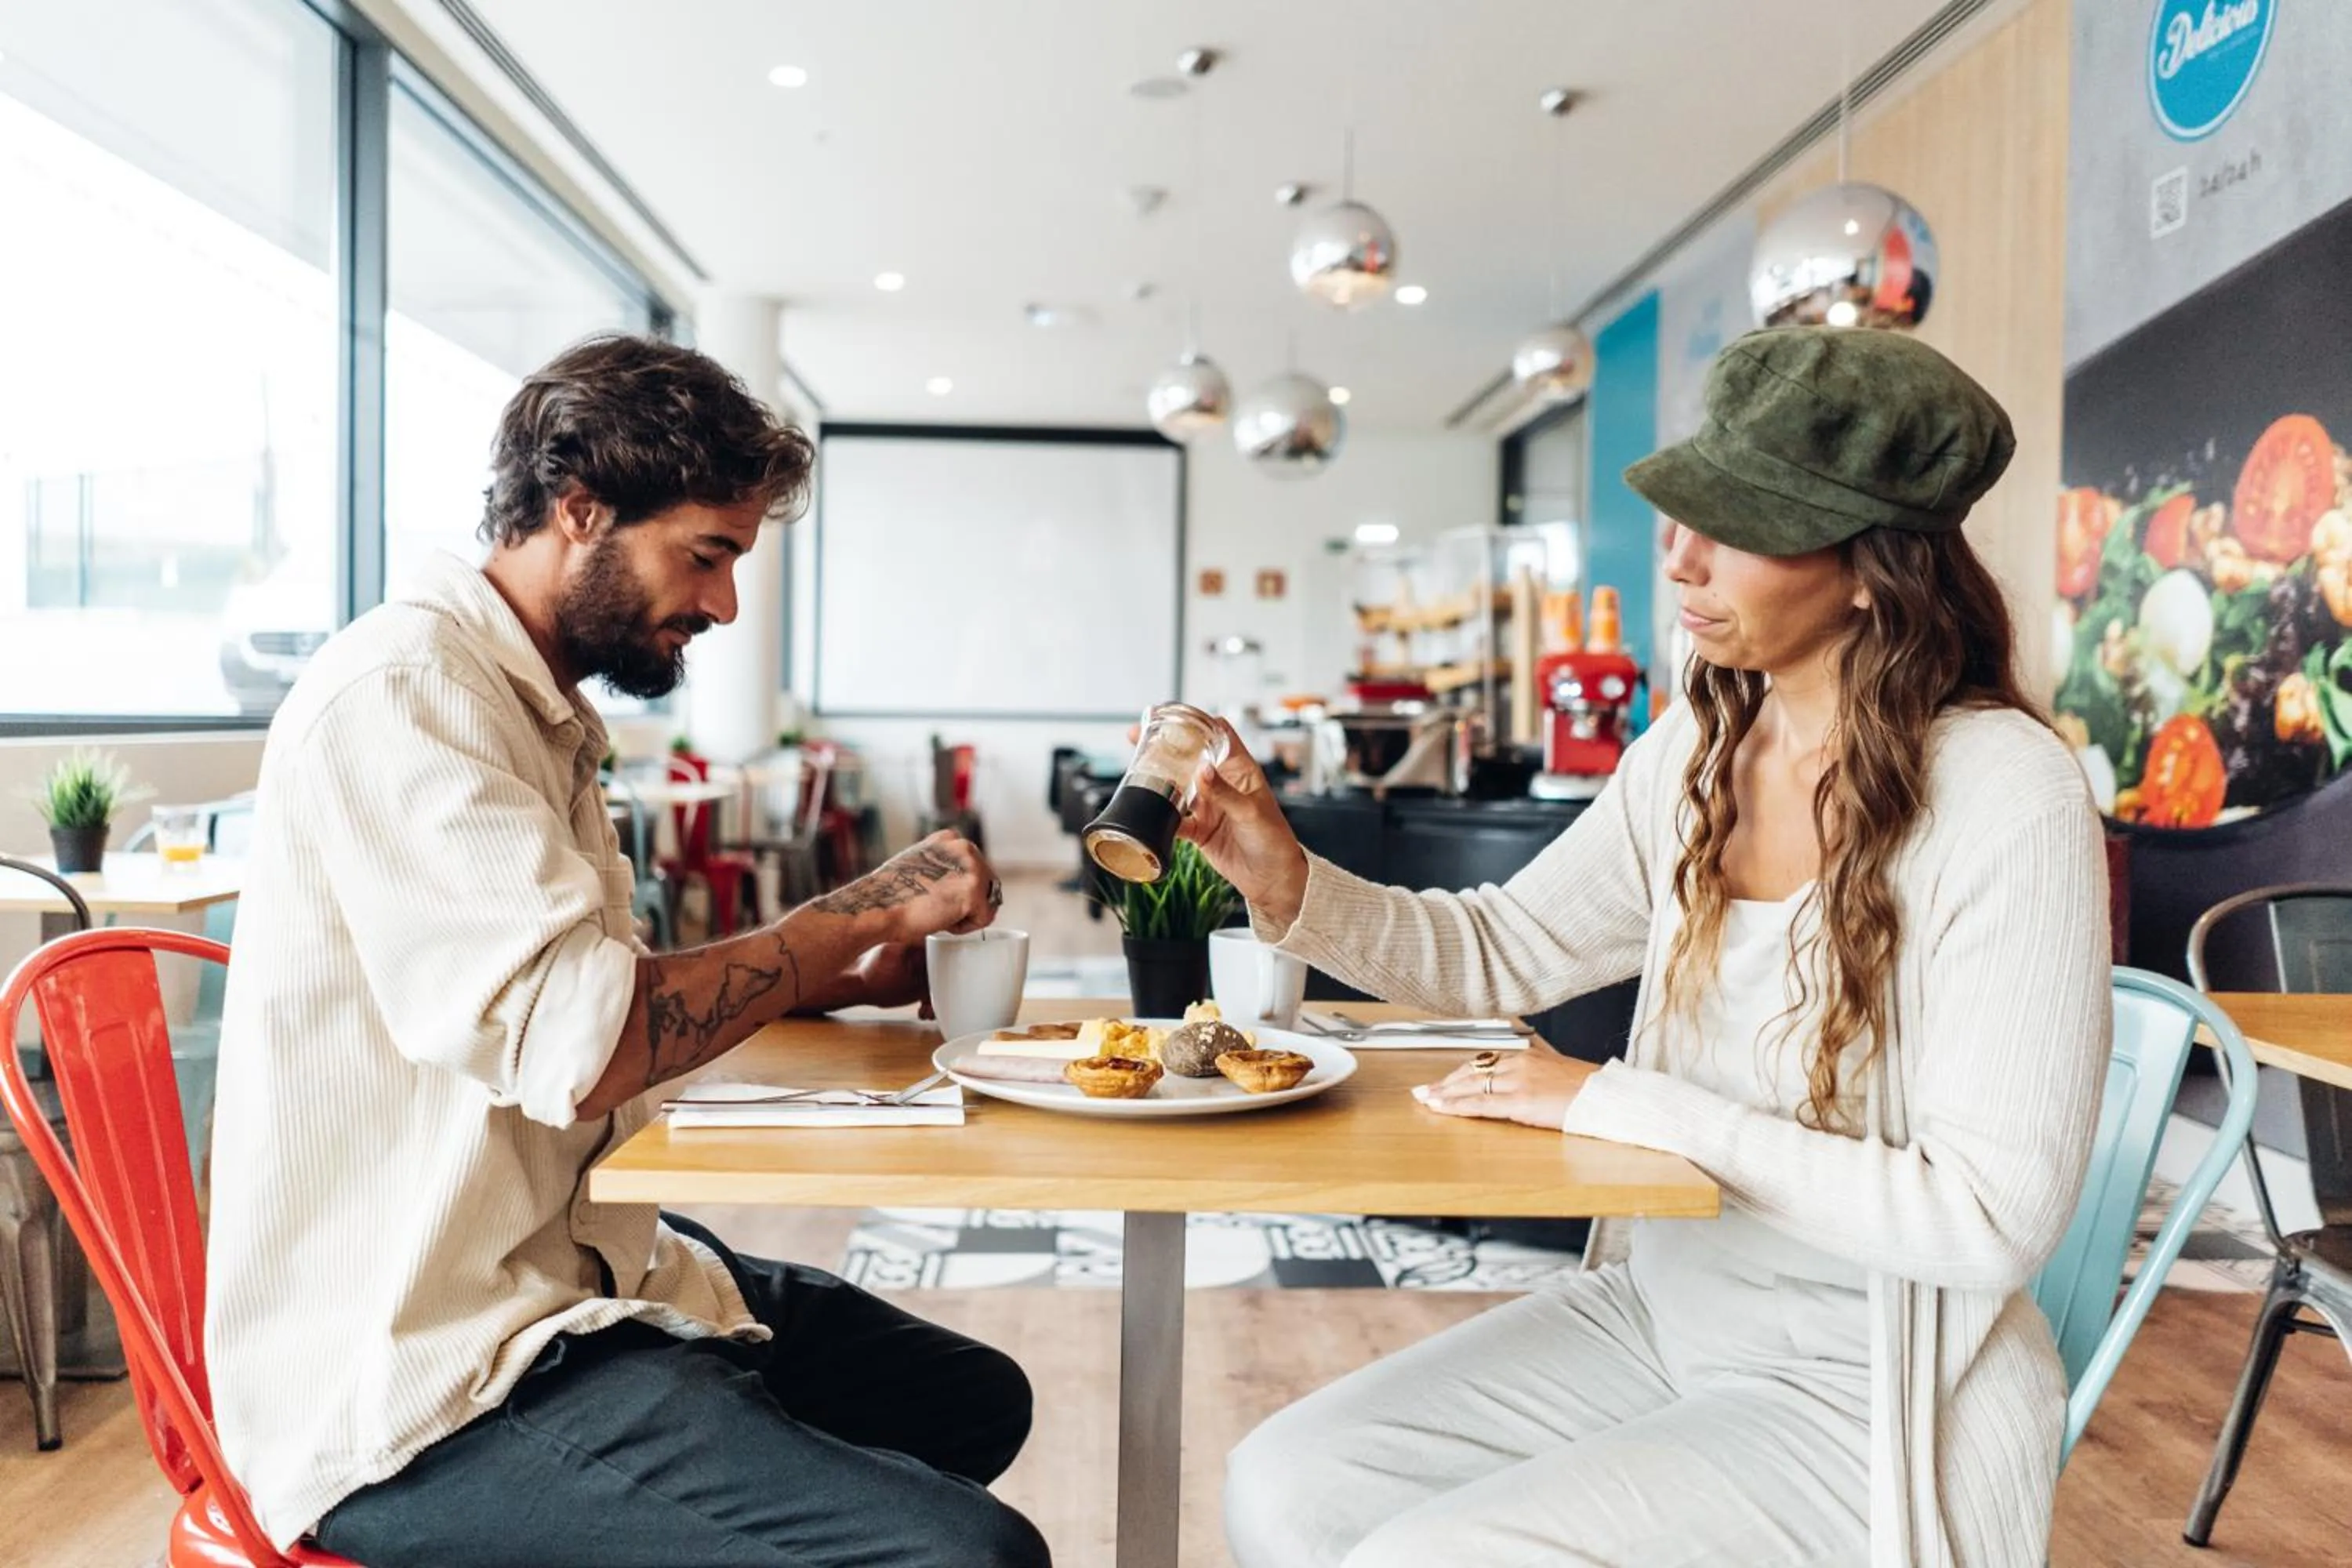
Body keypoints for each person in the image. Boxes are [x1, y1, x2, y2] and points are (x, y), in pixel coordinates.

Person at [1200, 327, 2111, 1567]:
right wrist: (1285, 874)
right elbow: (1499, 949)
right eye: (1686, 512)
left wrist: (1621, 1105)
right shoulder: (1696, 750)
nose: (1679, 556)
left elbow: (1990, 1221)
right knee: (1283, 1486)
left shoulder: (2008, 794)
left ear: (1872, 568)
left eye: (1736, 521)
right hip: (1653, 1313)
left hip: (1869, 1387)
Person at [206, 334, 1050, 1567]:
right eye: (705, 556)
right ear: (579, 508)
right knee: (971, 1556)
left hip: (566, 1277)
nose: (723, 604)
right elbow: (584, 1042)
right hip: (423, 1374)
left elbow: (601, 1015)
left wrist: (836, 975)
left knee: (973, 1400)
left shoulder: (537, 712)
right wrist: (842, 929)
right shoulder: (408, 694)